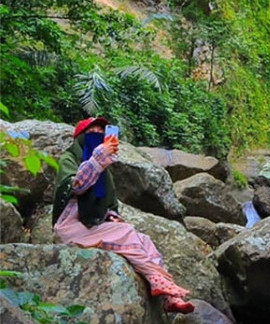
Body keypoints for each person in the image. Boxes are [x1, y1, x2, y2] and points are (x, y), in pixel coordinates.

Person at [52, 117, 195, 314]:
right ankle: (156, 279)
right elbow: (77, 186)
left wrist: (112, 216)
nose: (97, 136)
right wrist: (97, 159)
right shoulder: (69, 159)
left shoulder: (105, 173)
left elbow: (109, 205)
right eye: (91, 133)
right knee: (127, 233)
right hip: (72, 226)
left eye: (101, 134)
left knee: (145, 240)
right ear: (80, 139)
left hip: (93, 225)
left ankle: (170, 296)